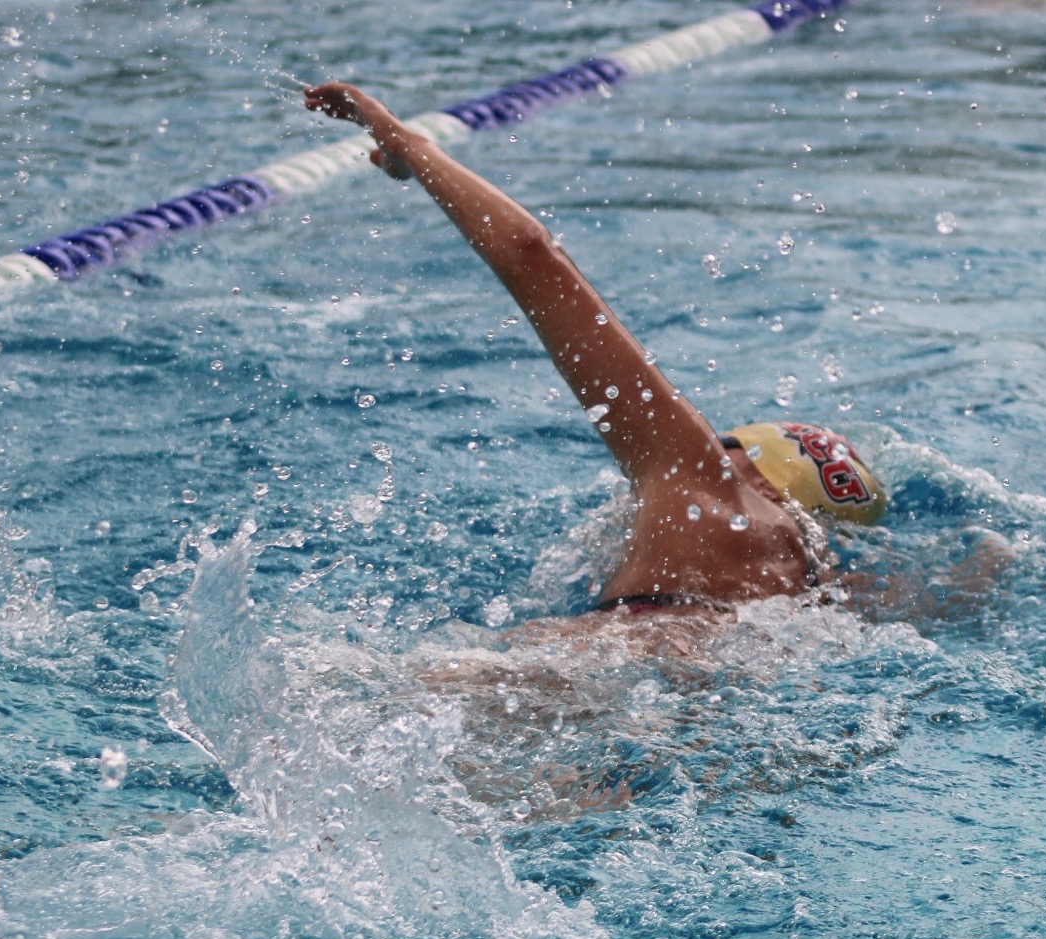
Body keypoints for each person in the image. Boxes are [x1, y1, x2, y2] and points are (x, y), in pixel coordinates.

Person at [302, 82, 890, 617]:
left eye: (729, 446)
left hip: (551, 689)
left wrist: (410, 144)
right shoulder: (802, 587)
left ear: (759, 479)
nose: (715, 446)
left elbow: (534, 256)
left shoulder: (709, 486)